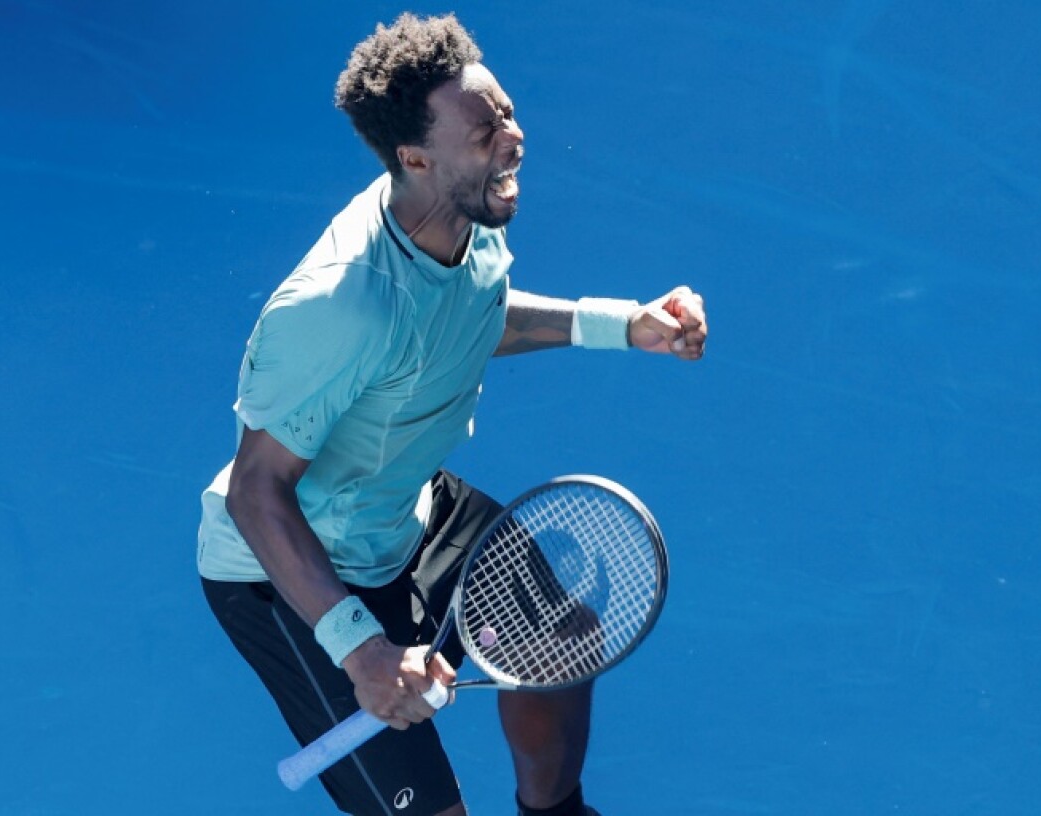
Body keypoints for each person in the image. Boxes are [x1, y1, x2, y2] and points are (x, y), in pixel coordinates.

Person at [198, 12, 707, 816]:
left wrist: (621, 325)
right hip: (286, 567)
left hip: (405, 507)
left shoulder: (463, 213)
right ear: (414, 157)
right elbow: (255, 492)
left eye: (505, 112)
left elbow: (472, 316)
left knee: (560, 642)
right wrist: (362, 651)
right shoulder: (338, 305)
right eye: (484, 130)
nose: (512, 137)